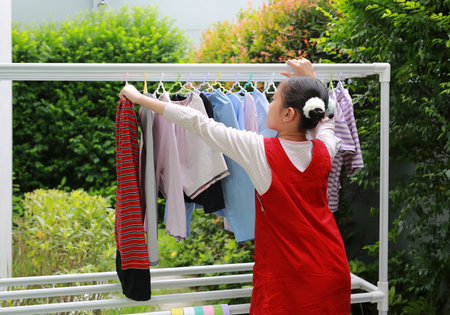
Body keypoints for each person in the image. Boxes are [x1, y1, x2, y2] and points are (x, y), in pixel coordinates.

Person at [119, 59, 351, 314]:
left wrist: (140, 98)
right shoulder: (325, 148)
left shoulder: (260, 151)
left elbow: (198, 123)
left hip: (287, 279)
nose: (269, 103)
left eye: (274, 100)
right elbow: (327, 119)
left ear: (288, 114)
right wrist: (313, 81)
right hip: (331, 269)